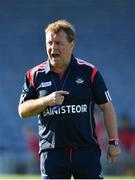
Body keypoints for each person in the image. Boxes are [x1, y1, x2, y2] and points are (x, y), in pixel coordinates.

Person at [18, 19, 121, 179]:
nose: (53, 47)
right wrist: (46, 101)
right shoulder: (34, 75)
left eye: (58, 43)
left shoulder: (89, 72)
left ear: (72, 45)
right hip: (52, 153)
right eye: (49, 43)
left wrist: (113, 142)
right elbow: (22, 110)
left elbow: (106, 106)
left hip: (86, 151)